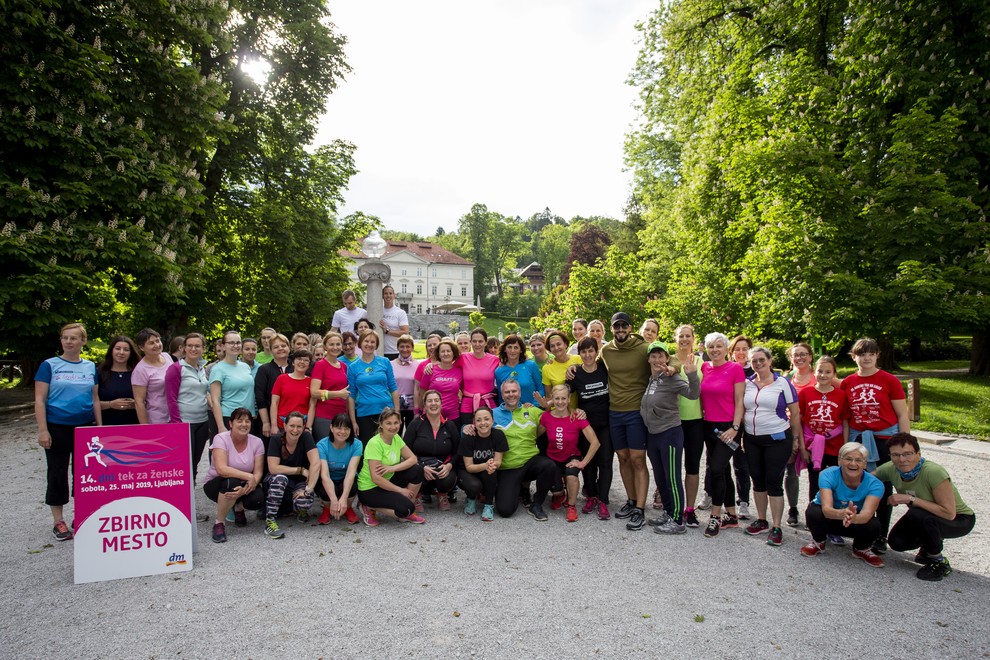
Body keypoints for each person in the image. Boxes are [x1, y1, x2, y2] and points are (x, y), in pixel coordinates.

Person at [841, 337, 910, 554]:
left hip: (884, 438)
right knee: (858, 482)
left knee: (882, 484)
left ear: (877, 355)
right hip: (859, 438)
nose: (866, 358)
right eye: (862, 354)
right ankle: (863, 526)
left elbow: (901, 413)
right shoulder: (847, 382)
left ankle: (881, 533)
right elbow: (845, 415)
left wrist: (905, 444)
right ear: (854, 357)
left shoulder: (889, 380)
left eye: (871, 353)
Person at [876, 433, 976, 581]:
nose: (902, 459)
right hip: (924, 515)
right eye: (895, 455)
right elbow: (865, 479)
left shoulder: (933, 472)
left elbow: (949, 513)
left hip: (959, 520)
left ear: (918, 454)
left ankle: (938, 560)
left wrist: (910, 499)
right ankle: (928, 547)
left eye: (907, 454)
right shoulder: (891, 468)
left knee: (917, 514)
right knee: (897, 542)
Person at [35, 323, 102, 541]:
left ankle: (81, 516)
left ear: (83, 341)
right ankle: (58, 521)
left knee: (85, 475)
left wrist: (99, 427)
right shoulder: (49, 365)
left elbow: (94, 399)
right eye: (65, 338)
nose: (69, 342)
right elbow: (39, 400)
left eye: (74, 338)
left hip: (85, 427)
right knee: (57, 472)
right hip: (57, 426)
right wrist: (43, 430)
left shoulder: (91, 367)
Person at [740, 346, 803, 547]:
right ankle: (761, 520)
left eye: (761, 360)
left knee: (773, 481)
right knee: (757, 480)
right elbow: (742, 410)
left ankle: (776, 526)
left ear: (769, 360)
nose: (758, 364)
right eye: (754, 361)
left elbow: (795, 412)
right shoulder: (747, 384)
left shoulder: (782, 383)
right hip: (752, 438)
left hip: (777, 438)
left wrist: (795, 438)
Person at [596, 312, 653, 531]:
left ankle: (640, 508)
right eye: (616, 326)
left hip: (636, 412)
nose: (620, 330)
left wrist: (675, 367)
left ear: (630, 328)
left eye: (624, 326)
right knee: (623, 458)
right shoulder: (607, 350)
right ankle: (631, 500)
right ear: (611, 329)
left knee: (638, 459)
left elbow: (668, 357)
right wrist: (574, 368)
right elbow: (592, 363)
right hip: (614, 411)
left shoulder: (643, 348)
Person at [640, 341, 699, 535]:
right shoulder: (652, 379)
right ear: (648, 358)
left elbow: (692, 394)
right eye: (653, 356)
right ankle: (668, 511)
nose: (657, 359)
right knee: (660, 476)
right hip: (653, 434)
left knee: (672, 478)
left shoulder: (671, 378)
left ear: (667, 358)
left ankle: (677, 520)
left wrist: (690, 374)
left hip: (670, 433)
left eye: (661, 355)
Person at [800, 442, 885, 567]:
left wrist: (852, 517)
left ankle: (861, 548)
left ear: (865, 463)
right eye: (848, 459)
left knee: (874, 524)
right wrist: (843, 513)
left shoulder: (876, 484)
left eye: (858, 460)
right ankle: (818, 541)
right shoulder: (827, 474)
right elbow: (827, 509)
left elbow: (867, 515)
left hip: (855, 521)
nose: (853, 463)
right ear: (839, 460)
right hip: (830, 517)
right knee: (814, 512)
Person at [488, 379, 557, 520]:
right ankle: (518, 489)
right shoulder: (492, 414)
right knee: (505, 511)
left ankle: (536, 504)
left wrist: (576, 411)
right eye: (507, 392)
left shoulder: (531, 410)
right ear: (501, 394)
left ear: (520, 393)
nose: (511, 394)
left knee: (549, 465)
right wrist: (468, 428)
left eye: (514, 391)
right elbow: (476, 426)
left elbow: (556, 418)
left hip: (529, 461)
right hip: (508, 466)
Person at [698, 332, 743, 538]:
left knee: (716, 469)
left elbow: (740, 400)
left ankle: (715, 516)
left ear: (726, 349)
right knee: (722, 470)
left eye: (718, 346)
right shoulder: (705, 368)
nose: (715, 350)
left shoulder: (734, 368)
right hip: (709, 426)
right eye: (711, 347)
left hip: (728, 426)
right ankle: (732, 515)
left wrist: (735, 427)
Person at [798, 356, 849, 528]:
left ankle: (833, 521)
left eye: (828, 372)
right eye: (820, 371)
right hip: (813, 448)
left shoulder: (841, 395)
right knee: (815, 482)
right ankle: (815, 519)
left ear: (834, 373)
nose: (823, 375)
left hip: (834, 447)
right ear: (814, 371)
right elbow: (800, 421)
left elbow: (845, 422)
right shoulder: (806, 393)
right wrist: (803, 448)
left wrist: (846, 448)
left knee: (835, 484)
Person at [538, 385, 600, 522]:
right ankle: (559, 494)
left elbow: (595, 443)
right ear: (552, 400)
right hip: (552, 458)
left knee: (571, 476)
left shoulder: (576, 416)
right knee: (557, 491)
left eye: (563, 398)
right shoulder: (546, 417)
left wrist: (583, 463)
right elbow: (535, 436)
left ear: (569, 399)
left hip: (571, 457)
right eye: (557, 399)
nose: (560, 402)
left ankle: (571, 506)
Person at [203, 408, 265, 543]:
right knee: (231, 481)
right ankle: (219, 523)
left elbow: (258, 471)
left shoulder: (257, 442)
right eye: (240, 421)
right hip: (217, 484)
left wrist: (248, 486)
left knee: (258, 498)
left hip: (243, 484)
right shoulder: (220, 438)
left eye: (247, 421)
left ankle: (238, 508)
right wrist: (249, 477)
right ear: (231, 423)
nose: (244, 424)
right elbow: (221, 469)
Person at [356, 408, 426, 525]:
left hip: (388, 479)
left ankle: (406, 511)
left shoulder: (396, 438)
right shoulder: (375, 443)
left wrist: (392, 468)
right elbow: (376, 478)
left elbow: (413, 459)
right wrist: (401, 491)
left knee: (418, 470)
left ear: (400, 423)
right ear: (381, 424)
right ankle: (368, 506)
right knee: (406, 509)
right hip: (370, 488)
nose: (393, 427)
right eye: (388, 423)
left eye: (395, 423)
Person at [668, 324, 707, 527]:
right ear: (676, 339)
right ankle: (672, 506)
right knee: (671, 468)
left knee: (691, 466)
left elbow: (707, 390)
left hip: (694, 421)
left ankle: (689, 509)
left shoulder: (702, 362)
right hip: (672, 421)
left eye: (688, 336)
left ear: (693, 338)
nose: (684, 339)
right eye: (680, 336)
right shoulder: (669, 360)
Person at [570, 336, 612, 519]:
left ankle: (603, 499)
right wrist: (574, 409)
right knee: (588, 464)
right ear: (579, 354)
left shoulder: (604, 368)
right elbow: (564, 398)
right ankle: (591, 496)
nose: (587, 355)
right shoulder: (575, 373)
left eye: (590, 351)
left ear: (596, 352)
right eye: (583, 351)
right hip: (586, 427)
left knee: (605, 462)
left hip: (605, 424)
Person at [261, 411, 320, 539]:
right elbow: (273, 468)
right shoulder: (276, 439)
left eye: (299, 426)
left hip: (298, 483)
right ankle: (270, 521)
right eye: (292, 426)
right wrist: (300, 470)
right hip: (276, 481)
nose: (295, 430)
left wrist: (308, 489)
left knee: (304, 502)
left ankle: (295, 510)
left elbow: (316, 463)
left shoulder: (306, 437)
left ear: (304, 427)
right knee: (281, 478)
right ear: (285, 425)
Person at [165, 333, 211, 480]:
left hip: (202, 422)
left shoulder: (202, 369)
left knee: (195, 462)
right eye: (190, 345)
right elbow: (171, 398)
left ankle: (191, 496)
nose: (193, 349)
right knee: (185, 463)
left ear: (203, 349)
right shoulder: (176, 368)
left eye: (197, 346)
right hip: (185, 422)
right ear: (183, 348)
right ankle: (182, 497)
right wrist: (177, 424)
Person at [404, 390, 460, 511]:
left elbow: (457, 451)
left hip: (442, 466)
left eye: (436, 400)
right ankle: (417, 495)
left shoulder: (450, 425)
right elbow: (405, 451)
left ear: (441, 403)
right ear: (424, 405)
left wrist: (450, 465)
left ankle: (442, 495)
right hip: (421, 467)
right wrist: (421, 466)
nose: (433, 403)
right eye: (429, 401)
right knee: (416, 472)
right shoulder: (416, 424)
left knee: (448, 479)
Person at [782, 342, 816, 527]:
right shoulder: (787, 378)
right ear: (790, 358)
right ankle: (793, 508)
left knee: (815, 472)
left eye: (803, 354)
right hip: (791, 428)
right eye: (795, 355)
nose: (799, 358)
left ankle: (815, 509)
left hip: (814, 430)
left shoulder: (819, 377)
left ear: (810, 357)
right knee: (790, 470)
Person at [347, 330, 400, 443]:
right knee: (367, 448)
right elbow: (351, 395)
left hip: (386, 412)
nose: (369, 344)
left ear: (376, 345)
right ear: (360, 343)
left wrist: (397, 413)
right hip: (364, 414)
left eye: (372, 342)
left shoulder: (385, 362)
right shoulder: (353, 367)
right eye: (366, 341)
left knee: (387, 446)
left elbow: (393, 388)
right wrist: (353, 422)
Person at [458, 407, 508, 522]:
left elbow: (498, 461)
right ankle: (471, 498)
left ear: (492, 421)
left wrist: (492, 465)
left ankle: (488, 505)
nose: (483, 423)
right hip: (467, 471)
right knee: (474, 486)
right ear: (474, 423)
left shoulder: (498, 435)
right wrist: (486, 465)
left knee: (491, 471)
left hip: (486, 470)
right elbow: (469, 467)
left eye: (486, 419)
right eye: (479, 420)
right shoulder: (468, 438)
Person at [316, 414, 363, 525]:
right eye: (339, 428)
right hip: (328, 479)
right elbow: (325, 475)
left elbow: (351, 473)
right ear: (331, 428)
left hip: (345, 478)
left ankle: (348, 507)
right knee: (322, 487)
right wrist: (333, 500)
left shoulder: (357, 444)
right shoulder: (321, 445)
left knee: (353, 485)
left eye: (346, 428)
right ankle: (327, 509)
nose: (342, 432)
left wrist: (343, 498)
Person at [726, 334, 754, 519]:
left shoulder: (755, 370)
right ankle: (710, 494)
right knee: (716, 461)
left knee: (741, 463)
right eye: (737, 349)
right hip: (726, 421)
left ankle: (743, 501)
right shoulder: (727, 369)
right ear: (732, 352)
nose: (741, 352)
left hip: (746, 424)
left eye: (745, 349)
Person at [210, 330, 257, 432]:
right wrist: (221, 426)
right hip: (229, 418)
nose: (235, 345)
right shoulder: (218, 369)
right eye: (231, 343)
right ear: (223, 346)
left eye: (238, 343)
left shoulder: (245, 367)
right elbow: (215, 400)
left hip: (247, 418)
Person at [455, 328, 500, 427]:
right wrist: (431, 365)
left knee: (489, 434)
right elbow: (448, 367)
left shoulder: (495, 360)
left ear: (485, 342)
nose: (477, 344)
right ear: (471, 342)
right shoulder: (463, 358)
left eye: (480, 341)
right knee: (467, 433)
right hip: (467, 405)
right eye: (474, 341)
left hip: (488, 404)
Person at [310, 331, 351, 442]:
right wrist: (337, 394)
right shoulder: (320, 365)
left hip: (341, 415)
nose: (335, 347)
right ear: (325, 347)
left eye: (338, 344)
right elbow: (314, 392)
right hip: (324, 415)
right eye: (331, 344)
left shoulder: (343, 366)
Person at [132, 328, 174, 424]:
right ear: (142, 347)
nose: (157, 345)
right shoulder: (140, 370)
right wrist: (146, 427)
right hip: (157, 419)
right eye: (151, 343)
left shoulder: (167, 357)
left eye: (157, 340)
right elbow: (139, 402)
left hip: (174, 415)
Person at [97, 335, 139, 426]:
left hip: (134, 426)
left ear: (131, 353)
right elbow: (91, 403)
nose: (121, 352)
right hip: (107, 426)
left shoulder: (138, 373)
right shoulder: (99, 373)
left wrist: (137, 404)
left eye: (126, 350)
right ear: (111, 351)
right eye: (117, 348)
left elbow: (149, 401)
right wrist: (110, 404)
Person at [269, 349, 316, 432]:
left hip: (301, 426)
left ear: (309, 365)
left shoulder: (312, 382)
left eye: (306, 360)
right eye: (299, 359)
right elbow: (274, 403)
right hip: (282, 425)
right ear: (293, 362)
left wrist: (308, 427)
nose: (302, 362)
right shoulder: (282, 379)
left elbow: (312, 406)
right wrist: (273, 425)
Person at [255, 333, 291, 439]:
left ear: (289, 347)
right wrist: (266, 422)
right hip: (271, 421)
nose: (280, 349)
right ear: (271, 350)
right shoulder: (264, 370)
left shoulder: (296, 368)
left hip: (293, 419)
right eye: (276, 347)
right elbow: (260, 398)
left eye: (283, 346)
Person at [495, 334, 545, 407]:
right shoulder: (499, 371)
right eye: (509, 347)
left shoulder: (531, 365)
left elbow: (540, 388)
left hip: (531, 410)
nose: (512, 351)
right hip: (512, 412)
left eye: (516, 347)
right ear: (505, 349)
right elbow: (501, 397)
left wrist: (534, 404)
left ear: (521, 350)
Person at [419, 338, 463, 421]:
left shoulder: (459, 371)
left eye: (448, 351)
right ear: (438, 354)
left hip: (452, 416)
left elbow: (464, 389)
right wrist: (420, 411)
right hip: (432, 416)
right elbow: (422, 392)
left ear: (453, 353)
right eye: (442, 351)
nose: (446, 354)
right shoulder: (430, 370)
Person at [542, 330, 582, 405]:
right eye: (552, 346)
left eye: (558, 344)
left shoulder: (579, 359)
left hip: (581, 410)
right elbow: (549, 396)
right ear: (550, 350)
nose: (556, 348)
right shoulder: (547, 368)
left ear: (565, 345)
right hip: (561, 411)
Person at [391, 334, 419, 429]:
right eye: (402, 346)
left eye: (408, 346)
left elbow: (418, 388)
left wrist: (417, 410)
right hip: (395, 406)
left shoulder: (418, 365)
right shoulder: (390, 365)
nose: (405, 349)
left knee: (411, 435)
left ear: (412, 348)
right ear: (398, 348)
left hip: (411, 406)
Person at [380, 285, 411, 360]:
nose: (388, 295)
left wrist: (387, 331)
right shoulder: (378, 310)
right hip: (380, 351)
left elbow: (405, 331)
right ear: (382, 296)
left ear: (394, 296)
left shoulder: (400, 312)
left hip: (395, 351)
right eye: (386, 293)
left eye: (390, 293)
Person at [414, 333, 442, 413]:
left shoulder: (447, 364)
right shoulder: (422, 365)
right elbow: (417, 389)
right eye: (429, 345)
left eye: (435, 344)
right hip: (428, 407)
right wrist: (417, 410)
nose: (432, 347)